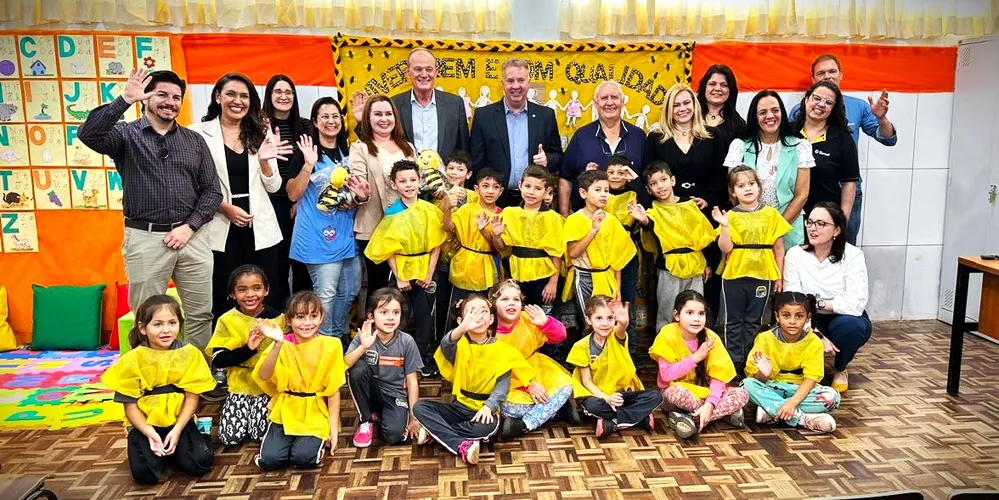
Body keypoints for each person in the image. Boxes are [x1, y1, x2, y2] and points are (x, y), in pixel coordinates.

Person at [78, 68, 221, 351]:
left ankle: (197, 370)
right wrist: (123, 100)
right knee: (146, 315)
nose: (171, 102)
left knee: (200, 314)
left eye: (176, 97)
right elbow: (89, 134)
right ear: (145, 98)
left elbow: (212, 191)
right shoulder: (125, 135)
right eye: (162, 95)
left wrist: (189, 227)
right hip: (145, 238)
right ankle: (148, 372)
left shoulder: (194, 141)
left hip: (192, 238)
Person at [189, 73, 292, 324]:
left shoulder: (261, 132)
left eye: (244, 96)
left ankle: (266, 343)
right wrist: (224, 208)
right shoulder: (197, 133)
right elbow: (191, 185)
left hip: (260, 227)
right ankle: (226, 346)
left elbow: (274, 185)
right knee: (223, 295)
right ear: (218, 97)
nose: (238, 101)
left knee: (265, 295)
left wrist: (265, 162)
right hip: (219, 224)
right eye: (231, 94)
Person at [100, 295, 215, 485]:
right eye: (158, 324)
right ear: (142, 328)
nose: (166, 330)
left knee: (199, 463)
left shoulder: (190, 353)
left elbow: (192, 397)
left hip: (178, 420)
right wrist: (150, 433)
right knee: (145, 475)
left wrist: (177, 430)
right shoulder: (132, 359)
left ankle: (194, 437)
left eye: (172, 323)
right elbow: (130, 406)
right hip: (145, 423)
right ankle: (159, 449)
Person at [413, 294, 535, 465]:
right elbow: (446, 344)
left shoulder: (504, 351)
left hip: (483, 410)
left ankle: (435, 433)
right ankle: (461, 444)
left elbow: (502, 387)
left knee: (487, 427)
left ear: (491, 319)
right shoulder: (458, 345)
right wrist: (462, 328)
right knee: (420, 407)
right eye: (472, 312)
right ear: (460, 321)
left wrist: (488, 407)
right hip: (458, 406)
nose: (477, 317)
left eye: (483, 311)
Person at [286, 97, 370, 342]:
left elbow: (357, 190)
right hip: (317, 235)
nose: (331, 121)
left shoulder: (349, 151)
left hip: (346, 234)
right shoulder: (306, 152)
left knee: (350, 290)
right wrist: (308, 165)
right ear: (315, 121)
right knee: (326, 294)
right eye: (324, 116)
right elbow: (293, 194)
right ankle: (321, 343)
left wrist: (356, 200)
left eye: (335, 116)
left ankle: (331, 338)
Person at [792, 54, 897, 244]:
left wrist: (881, 118)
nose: (827, 76)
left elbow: (888, 139)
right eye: (821, 73)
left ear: (841, 74)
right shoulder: (799, 111)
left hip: (847, 192)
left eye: (832, 71)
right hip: (805, 192)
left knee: (843, 245)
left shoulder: (858, 107)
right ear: (813, 79)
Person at [364, 160, 446, 378]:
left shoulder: (430, 210)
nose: (408, 185)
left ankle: (421, 358)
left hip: (426, 269)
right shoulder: (392, 213)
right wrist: (400, 277)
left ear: (420, 181)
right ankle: (396, 357)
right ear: (394, 184)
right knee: (399, 314)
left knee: (424, 316)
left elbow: (436, 245)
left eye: (412, 180)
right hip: (401, 270)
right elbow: (386, 248)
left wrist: (429, 274)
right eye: (403, 181)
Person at [782, 202, 871, 393]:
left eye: (821, 224)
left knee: (851, 327)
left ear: (836, 230)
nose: (812, 228)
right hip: (804, 316)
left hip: (842, 316)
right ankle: (807, 367)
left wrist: (818, 303)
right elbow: (792, 299)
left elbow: (856, 302)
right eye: (810, 222)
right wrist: (815, 333)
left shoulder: (853, 255)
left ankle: (840, 368)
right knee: (788, 321)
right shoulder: (795, 254)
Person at [253, 291, 347, 470]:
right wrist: (278, 344)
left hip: (314, 411)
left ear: (321, 318)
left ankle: (311, 447)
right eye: (300, 317)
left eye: (313, 316)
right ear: (289, 320)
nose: (307, 323)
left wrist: (333, 431)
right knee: (270, 460)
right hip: (286, 409)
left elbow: (333, 392)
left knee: (303, 458)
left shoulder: (331, 345)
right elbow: (264, 375)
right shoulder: (282, 344)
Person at [714, 165, 792, 376]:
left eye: (751, 183)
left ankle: (750, 363)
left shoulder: (771, 214)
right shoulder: (730, 215)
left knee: (754, 322)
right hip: (734, 274)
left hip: (763, 274)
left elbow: (779, 248)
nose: (747, 188)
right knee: (733, 322)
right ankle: (733, 364)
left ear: (759, 186)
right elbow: (725, 248)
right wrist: (724, 226)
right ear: (733, 192)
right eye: (741, 186)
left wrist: (779, 276)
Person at [630, 162, 715, 332]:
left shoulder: (690, 204)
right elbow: (650, 226)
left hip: (695, 264)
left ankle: (693, 344)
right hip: (668, 267)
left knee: (695, 307)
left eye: (663, 180)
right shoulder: (653, 210)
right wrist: (643, 220)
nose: (660, 186)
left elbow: (704, 234)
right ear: (648, 190)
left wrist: (708, 263)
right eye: (654, 183)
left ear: (673, 180)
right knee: (667, 310)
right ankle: (665, 345)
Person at [650, 291, 747, 439]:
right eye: (689, 313)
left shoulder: (711, 338)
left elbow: (719, 377)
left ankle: (690, 419)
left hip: (705, 394)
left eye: (701, 314)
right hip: (675, 393)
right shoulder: (667, 334)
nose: (696, 319)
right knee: (676, 393)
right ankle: (720, 414)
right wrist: (695, 358)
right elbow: (666, 375)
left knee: (742, 394)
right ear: (677, 315)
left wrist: (709, 404)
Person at [205, 265, 284, 446]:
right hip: (239, 385)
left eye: (257, 288)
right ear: (233, 294)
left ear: (266, 290)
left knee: (260, 435)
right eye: (242, 289)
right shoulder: (227, 320)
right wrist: (248, 349)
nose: (250, 295)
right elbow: (219, 360)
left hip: (267, 386)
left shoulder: (279, 319)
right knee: (230, 438)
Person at [742, 292, 841, 433]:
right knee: (746, 385)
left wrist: (792, 403)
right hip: (772, 387)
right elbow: (755, 379)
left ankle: (772, 411)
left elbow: (811, 379)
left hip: (801, 390)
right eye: (786, 315)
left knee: (832, 397)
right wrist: (764, 375)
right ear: (777, 316)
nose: (792, 321)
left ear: (808, 317)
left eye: (799, 316)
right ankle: (802, 418)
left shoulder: (814, 342)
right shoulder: (764, 338)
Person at [724, 90, 813, 248]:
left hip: (788, 229)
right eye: (763, 112)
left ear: (782, 113)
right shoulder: (740, 146)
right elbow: (734, 192)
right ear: (754, 116)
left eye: (775, 110)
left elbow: (802, 195)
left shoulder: (800, 146)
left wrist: (776, 229)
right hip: (749, 230)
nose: (770, 116)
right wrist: (755, 226)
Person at [470, 58, 563, 207]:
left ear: (528, 82)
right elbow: (476, 163)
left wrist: (547, 160)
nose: (515, 86)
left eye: (521, 80)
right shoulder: (484, 116)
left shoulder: (546, 116)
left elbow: (558, 157)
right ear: (502, 84)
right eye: (510, 81)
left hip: (533, 202)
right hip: (495, 202)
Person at [350, 95, 417, 301]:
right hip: (374, 227)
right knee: (378, 287)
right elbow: (357, 183)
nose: (384, 119)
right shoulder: (360, 147)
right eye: (377, 114)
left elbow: (415, 183)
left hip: (406, 227)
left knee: (408, 284)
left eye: (388, 114)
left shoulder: (408, 147)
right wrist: (361, 194)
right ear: (368, 118)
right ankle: (374, 321)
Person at [491, 281, 577, 440]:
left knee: (566, 386)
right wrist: (528, 385)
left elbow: (560, 336)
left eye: (516, 299)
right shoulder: (489, 329)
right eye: (504, 299)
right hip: (507, 379)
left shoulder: (528, 319)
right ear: (493, 303)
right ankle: (557, 409)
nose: (511, 303)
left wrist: (545, 323)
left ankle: (524, 424)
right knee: (508, 408)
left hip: (536, 368)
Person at [567, 295, 661, 438]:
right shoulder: (580, 347)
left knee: (656, 396)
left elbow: (621, 330)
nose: (605, 323)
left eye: (610, 318)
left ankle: (613, 422)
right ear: (588, 320)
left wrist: (624, 323)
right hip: (599, 396)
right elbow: (587, 382)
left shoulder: (616, 336)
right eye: (599, 318)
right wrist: (607, 398)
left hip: (621, 393)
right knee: (591, 405)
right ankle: (639, 418)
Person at [351, 49, 469, 162]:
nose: (424, 74)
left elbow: (464, 150)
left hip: (445, 175)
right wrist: (362, 123)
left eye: (429, 69)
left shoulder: (454, 104)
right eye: (418, 69)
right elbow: (377, 143)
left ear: (436, 72)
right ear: (408, 72)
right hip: (404, 174)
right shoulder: (394, 104)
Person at [343, 288, 424, 447]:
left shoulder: (407, 341)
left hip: (394, 395)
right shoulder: (364, 336)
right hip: (371, 392)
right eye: (384, 312)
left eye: (396, 312)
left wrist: (413, 418)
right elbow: (344, 365)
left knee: (394, 435)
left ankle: (379, 417)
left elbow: (412, 381)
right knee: (357, 368)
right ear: (371, 316)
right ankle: (365, 421)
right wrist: (363, 347)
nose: (390, 317)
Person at [262, 74, 314, 301]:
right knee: (276, 263)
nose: (283, 96)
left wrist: (299, 201)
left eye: (288, 92)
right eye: (278, 91)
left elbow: (313, 164)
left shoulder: (306, 126)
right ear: (269, 95)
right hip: (269, 202)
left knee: (302, 262)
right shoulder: (259, 125)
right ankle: (277, 311)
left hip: (300, 201)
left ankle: (302, 313)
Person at [560, 80, 647, 214]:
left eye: (614, 97)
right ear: (595, 103)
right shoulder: (581, 136)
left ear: (623, 101)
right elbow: (565, 178)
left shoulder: (638, 136)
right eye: (604, 98)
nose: (609, 102)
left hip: (631, 220)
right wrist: (564, 215)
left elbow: (648, 180)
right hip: (588, 220)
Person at [645, 83, 729, 215]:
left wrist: (707, 199)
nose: (682, 108)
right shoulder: (655, 138)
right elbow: (649, 176)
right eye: (676, 105)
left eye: (686, 103)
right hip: (668, 213)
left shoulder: (713, 135)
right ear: (668, 109)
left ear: (694, 104)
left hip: (705, 212)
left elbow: (720, 175)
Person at [562, 170, 636, 315]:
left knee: (608, 320)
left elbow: (618, 261)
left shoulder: (612, 220)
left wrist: (617, 289)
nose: (603, 194)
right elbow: (573, 253)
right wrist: (593, 230)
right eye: (598, 190)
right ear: (583, 193)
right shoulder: (574, 220)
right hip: (584, 276)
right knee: (589, 320)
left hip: (607, 276)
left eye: (606, 190)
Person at [444, 168, 505, 333]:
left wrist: (486, 232)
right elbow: (449, 227)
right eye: (485, 186)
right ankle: (452, 341)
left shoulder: (502, 214)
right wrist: (448, 209)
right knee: (458, 307)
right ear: (477, 189)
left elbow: (500, 248)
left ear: (501, 191)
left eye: (495, 187)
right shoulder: (467, 209)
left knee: (485, 307)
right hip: (464, 265)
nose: (490, 191)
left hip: (488, 266)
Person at [791, 81, 860, 220]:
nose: (821, 104)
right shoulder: (789, 133)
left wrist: (842, 222)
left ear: (833, 109)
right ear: (806, 100)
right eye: (817, 98)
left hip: (825, 219)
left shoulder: (842, 139)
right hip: (789, 215)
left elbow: (849, 183)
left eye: (829, 102)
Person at [497, 165, 563, 308]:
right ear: (520, 186)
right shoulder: (509, 213)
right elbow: (501, 248)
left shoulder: (553, 218)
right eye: (527, 186)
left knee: (540, 314)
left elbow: (557, 254)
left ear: (547, 192)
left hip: (543, 275)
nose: (531, 192)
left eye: (538, 188)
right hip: (515, 272)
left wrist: (553, 282)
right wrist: (496, 235)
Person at [433, 150, 478, 354]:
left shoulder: (475, 197)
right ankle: (441, 344)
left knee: (464, 301)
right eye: (451, 168)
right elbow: (436, 222)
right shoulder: (436, 195)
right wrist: (447, 201)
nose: (454, 172)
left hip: (466, 257)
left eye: (460, 169)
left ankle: (465, 341)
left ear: (468, 174)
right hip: (443, 255)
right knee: (442, 301)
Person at [696, 64, 747, 151]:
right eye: (712, 84)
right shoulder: (690, 117)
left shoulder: (738, 125)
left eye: (724, 85)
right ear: (704, 87)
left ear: (730, 90)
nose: (717, 89)